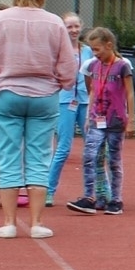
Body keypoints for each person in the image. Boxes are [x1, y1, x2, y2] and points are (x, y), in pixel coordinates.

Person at [0, 0, 77, 238]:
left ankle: (9, 223)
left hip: (6, 95)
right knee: (40, 157)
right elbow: (68, 69)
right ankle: (38, 223)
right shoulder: (54, 22)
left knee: (7, 157)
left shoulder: (0, 20)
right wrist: (61, 83)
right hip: (44, 97)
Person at [69, 27, 134, 215]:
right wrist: (90, 114)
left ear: (109, 45)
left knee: (113, 160)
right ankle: (90, 197)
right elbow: (93, 91)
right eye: (92, 49)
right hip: (97, 119)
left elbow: (130, 93)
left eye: (97, 49)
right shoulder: (93, 66)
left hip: (116, 120)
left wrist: (131, 120)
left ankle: (116, 200)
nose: (94, 53)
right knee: (90, 157)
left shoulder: (122, 66)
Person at [44, 13, 93, 208]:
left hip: (86, 102)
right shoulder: (58, 50)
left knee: (93, 146)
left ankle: (98, 190)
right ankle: (48, 191)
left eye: (76, 26)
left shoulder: (88, 51)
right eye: (69, 27)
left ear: (81, 27)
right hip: (65, 101)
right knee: (63, 148)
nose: (73, 30)